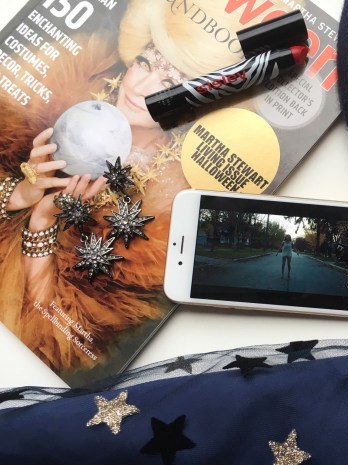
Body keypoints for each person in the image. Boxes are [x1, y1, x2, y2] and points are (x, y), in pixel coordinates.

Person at [0, 0, 294, 376]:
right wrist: (22, 192)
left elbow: (53, 335)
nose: (140, 87)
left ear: (197, 103)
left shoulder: (167, 209)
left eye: (170, 84)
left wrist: (43, 220)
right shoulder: (63, 91)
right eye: (145, 62)